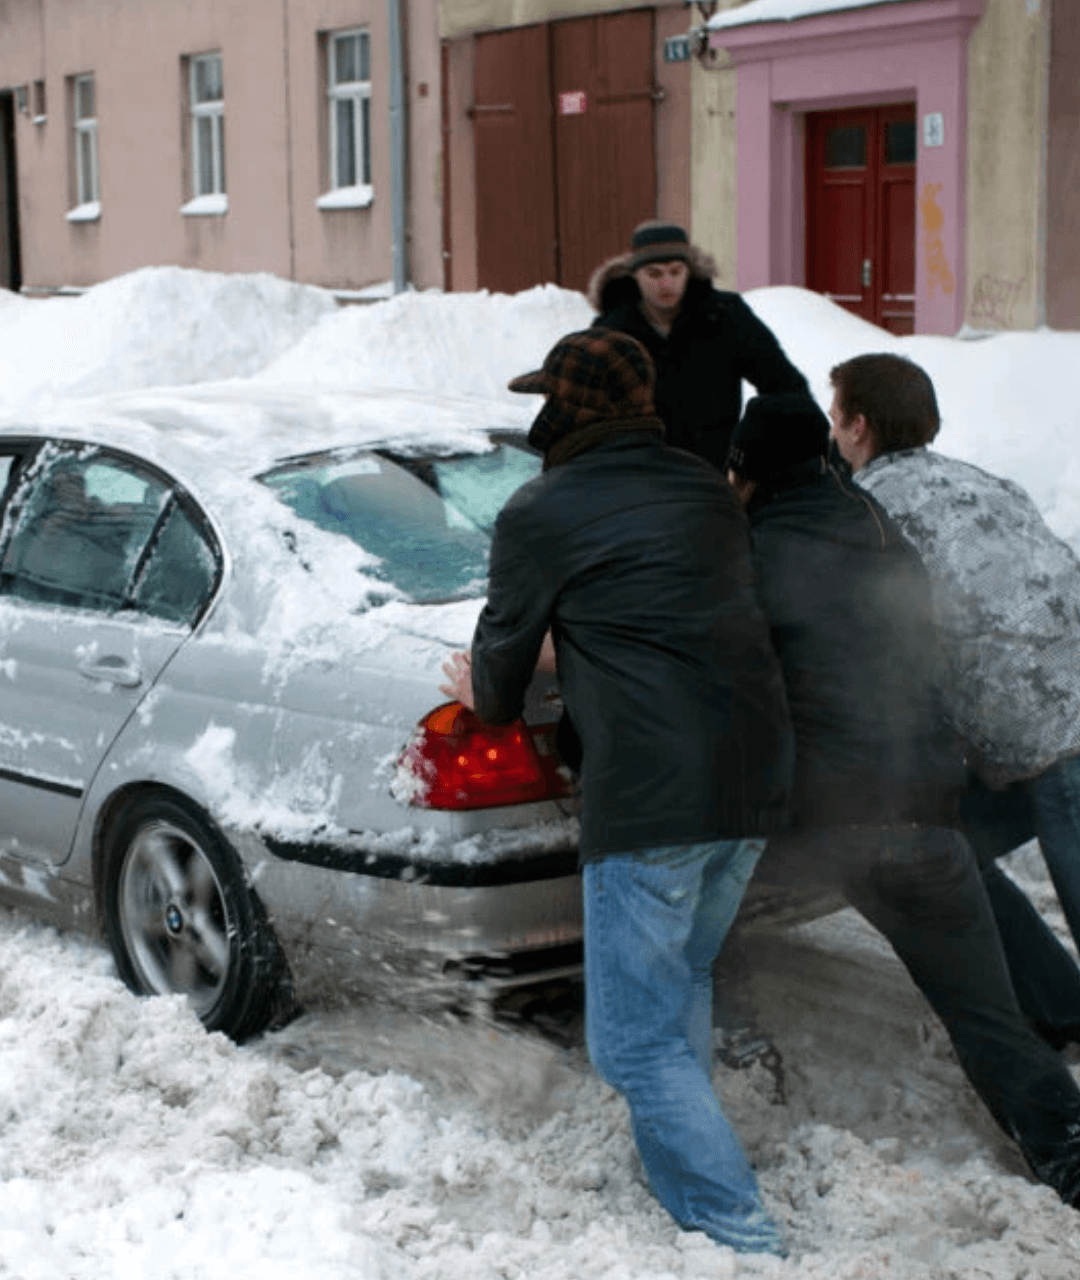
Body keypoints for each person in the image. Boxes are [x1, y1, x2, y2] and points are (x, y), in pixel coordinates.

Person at [439, 329, 795, 1256]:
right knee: (682, 982)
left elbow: (498, 683)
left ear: (563, 412)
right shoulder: (706, 489)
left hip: (654, 796)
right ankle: (686, 1197)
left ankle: (741, 1236)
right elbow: (672, 609)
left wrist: (473, 682)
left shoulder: (539, 510)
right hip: (755, 776)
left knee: (630, 1043)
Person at [726, 391, 1080, 1207]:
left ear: (746, 473)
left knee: (692, 904)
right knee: (985, 1016)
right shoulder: (884, 535)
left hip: (838, 820)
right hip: (928, 808)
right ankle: (1071, 1155)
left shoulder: (755, 555)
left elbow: (738, 692)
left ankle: (740, 1059)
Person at [829, 352, 1080, 1050]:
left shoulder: (872, 509)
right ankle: (1057, 1004)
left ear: (858, 425)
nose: (833, 432)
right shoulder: (981, 481)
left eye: (835, 416)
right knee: (950, 847)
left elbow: (878, 628)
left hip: (1050, 733)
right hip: (1047, 714)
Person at [587, 220, 809, 470]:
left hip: (713, 471)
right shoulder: (612, 330)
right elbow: (585, 408)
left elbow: (785, 386)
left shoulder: (725, 316)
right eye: (654, 273)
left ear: (689, 270)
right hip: (640, 475)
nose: (666, 283)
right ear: (635, 275)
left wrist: (759, 448)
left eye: (675, 271)